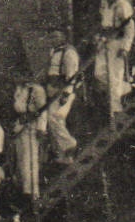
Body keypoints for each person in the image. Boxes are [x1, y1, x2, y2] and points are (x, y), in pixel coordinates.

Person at [95, 0, 135, 115]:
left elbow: (130, 28)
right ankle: (125, 87)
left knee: (114, 77)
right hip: (105, 41)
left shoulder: (123, 6)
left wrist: (126, 47)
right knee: (99, 73)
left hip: (117, 43)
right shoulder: (106, 4)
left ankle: (116, 109)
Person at [43, 28, 82, 163]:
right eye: (50, 38)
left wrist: (67, 93)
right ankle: (65, 156)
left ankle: (70, 144)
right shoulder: (54, 51)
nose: (52, 40)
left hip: (63, 91)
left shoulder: (69, 52)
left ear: (62, 37)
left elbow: (71, 75)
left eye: (55, 37)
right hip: (53, 90)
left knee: (53, 118)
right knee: (58, 121)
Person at [9, 78, 47, 201]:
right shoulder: (19, 89)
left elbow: (42, 110)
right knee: (22, 161)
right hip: (20, 127)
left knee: (30, 160)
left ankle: (34, 193)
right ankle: (26, 192)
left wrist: (41, 128)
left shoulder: (36, 90)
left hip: (32, 127)